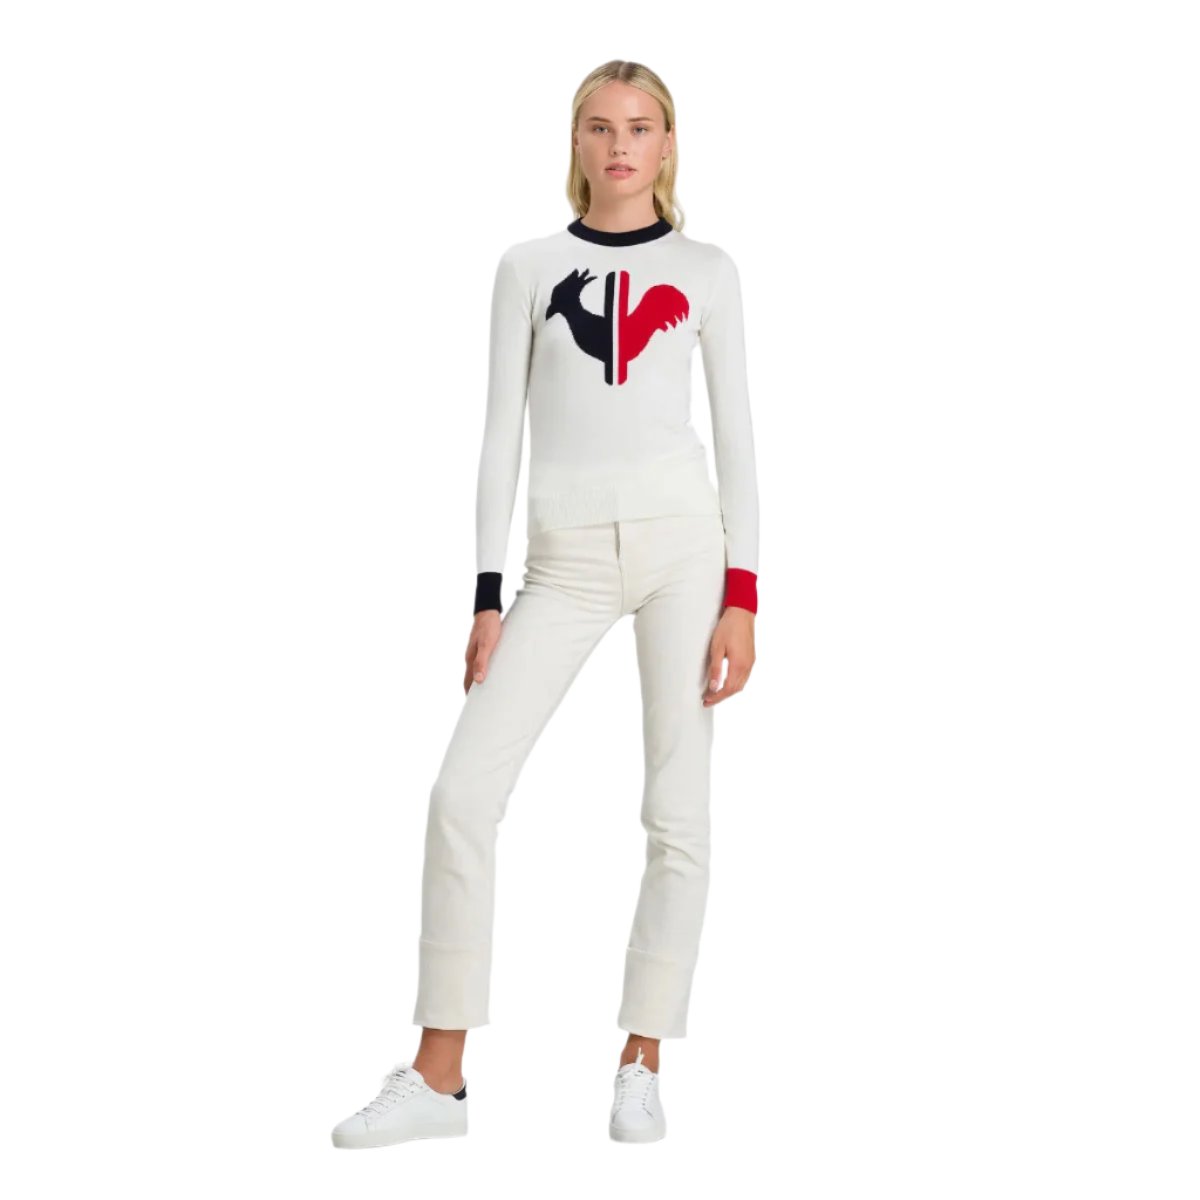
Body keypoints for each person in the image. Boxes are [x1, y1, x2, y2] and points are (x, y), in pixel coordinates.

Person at [331, 58, 759, 1149]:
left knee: (678, 811)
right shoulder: (528, 268)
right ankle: (439, 1076)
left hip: (683, 549)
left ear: (668, 145)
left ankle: (641, 1056)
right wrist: (486, 595)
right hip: (561, 560)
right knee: (462, 793)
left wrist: (742, 595)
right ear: (576, 142)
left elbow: (740, 441)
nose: (621, 146)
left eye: (641, 127)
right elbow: (499, 437)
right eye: (601, 127)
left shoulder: (706, 272)